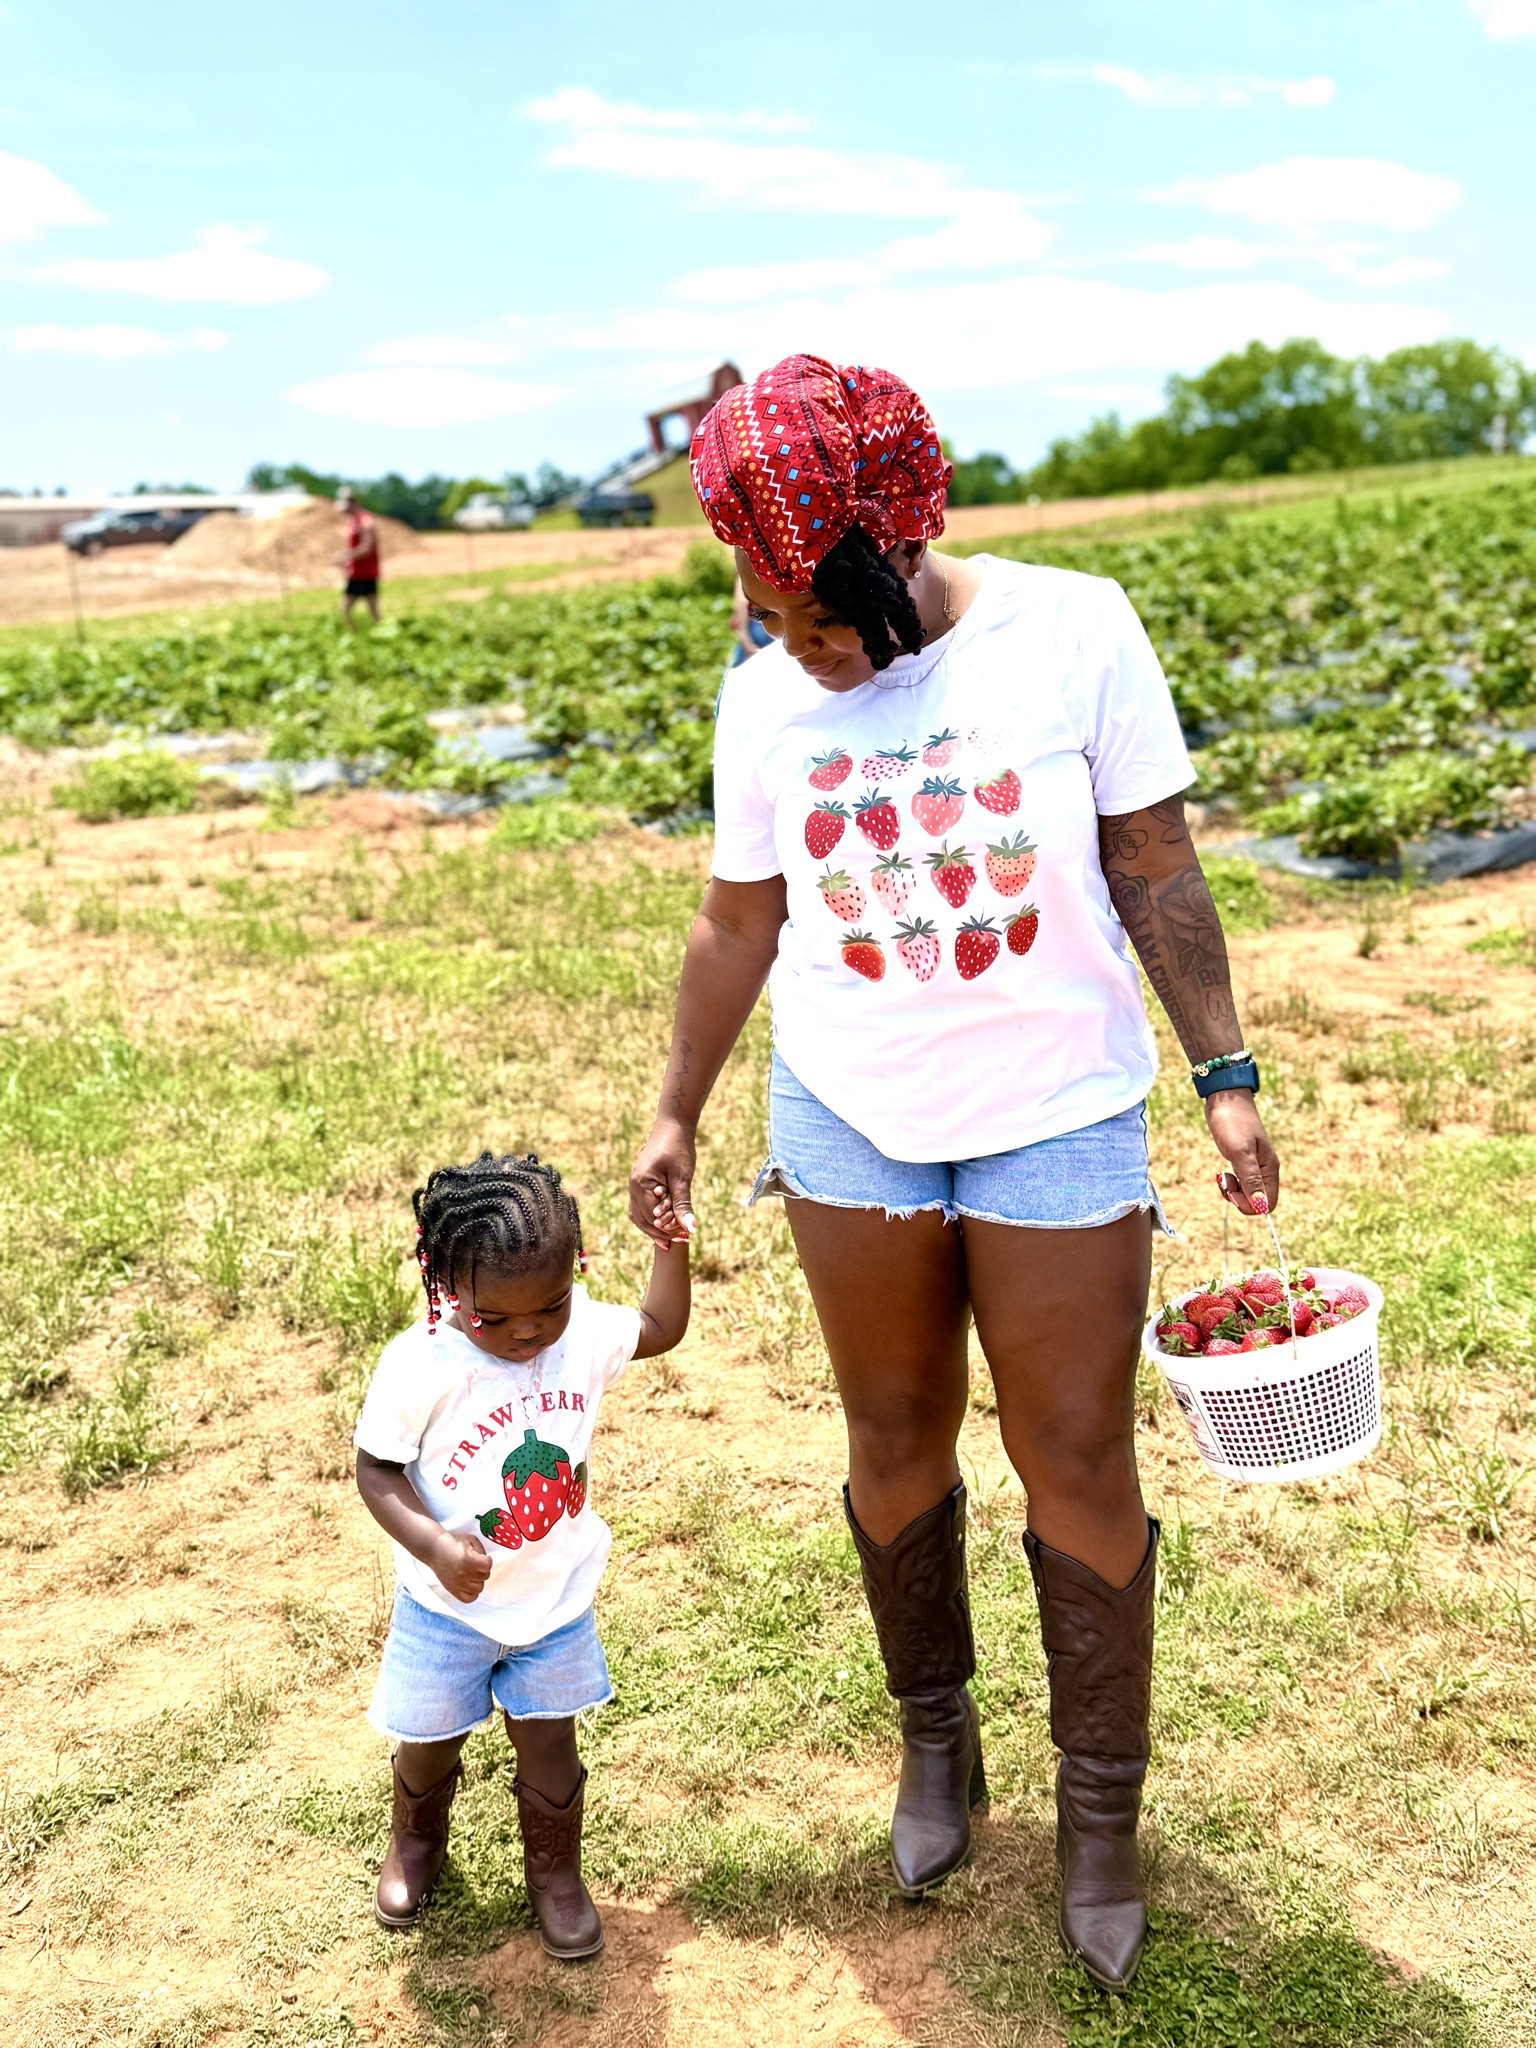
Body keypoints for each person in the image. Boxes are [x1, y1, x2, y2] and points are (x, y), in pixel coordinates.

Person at [628, 354, 1278, 1993]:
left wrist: (1221, 1070)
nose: (804, 648)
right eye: (773, 612)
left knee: (1072, 1446)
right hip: (852, 1116)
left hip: (1056, 1107)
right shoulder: (762, 690)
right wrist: (675, 1108)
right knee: (894, 1429)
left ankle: (1101, 1820)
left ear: (899, 545)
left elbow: (1157, 865)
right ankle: (938, 1746)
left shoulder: (1071, 628)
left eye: (828, 619)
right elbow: (736, 919)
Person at [354, 1151, 690, 1956]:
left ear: (573, 1273)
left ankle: (555, 1874)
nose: (528, 1331)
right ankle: (417, 1840)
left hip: (554, 1602)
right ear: (445, 1288)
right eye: (494, 1319)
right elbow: (376, 1469)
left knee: (549, 1738)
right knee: (430, 1734)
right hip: (448, 1611)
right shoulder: (421, 1363)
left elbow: (660, 1327)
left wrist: (670, 1247)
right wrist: (434, 1545)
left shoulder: (580, 1337)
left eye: (549, 1305)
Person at [336, 485, 381, 623]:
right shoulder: (353, 520)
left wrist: (345, 556)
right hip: (357, 571)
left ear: (353, 503)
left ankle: (359, 637)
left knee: (344, 611)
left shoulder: (365, 522)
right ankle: (375, 634)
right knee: (373, 612)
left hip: (365, 572)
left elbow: (366, 548)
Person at [728, 570, 774, 666]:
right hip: (776, 625)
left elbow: (741, 601)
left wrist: (744, 637)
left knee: (740, 669)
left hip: (757, 629)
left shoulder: (748, 566)